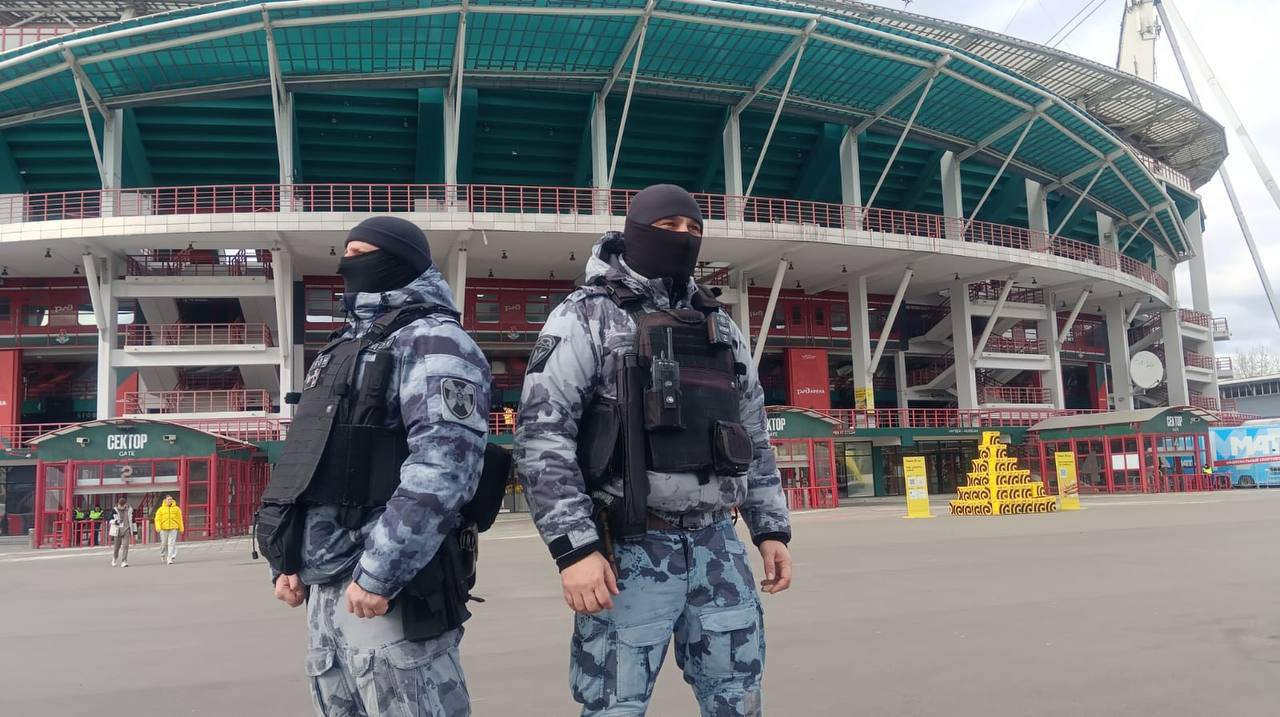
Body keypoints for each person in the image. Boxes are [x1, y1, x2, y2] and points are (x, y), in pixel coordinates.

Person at [516, 184, 794, 716]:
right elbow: (542, 435)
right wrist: (574, 549)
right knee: (614, 705)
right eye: (668, 227)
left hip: (717, 542)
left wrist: (770, 529)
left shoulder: (720, 324)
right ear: (635, 231)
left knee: (738, 699)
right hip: (628, 546)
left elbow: (753, 432)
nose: (683, 237)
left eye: (694, 229)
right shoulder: (586, 315)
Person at [257, 216, 492, 717]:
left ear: (403, 262)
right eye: (347, 253)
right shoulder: (341, 348)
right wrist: (286, 558)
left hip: (391, 592)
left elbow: (444, 468)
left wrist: (381, 572)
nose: (349, 264)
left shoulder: (435, 342)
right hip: (326, 589)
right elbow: (307, 461)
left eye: (364, 254)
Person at [153, 495, 184, 564]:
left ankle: (169, 559)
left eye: (171, 499)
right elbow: (157, 519)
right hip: (163, 528)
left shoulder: (177, 509)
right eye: (168, 499)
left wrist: (181, 528)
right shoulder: (160, 509)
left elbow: (180, 519)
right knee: (164, 543)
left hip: (173, 528)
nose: (170, 500)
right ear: (165, 500)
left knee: (171, 543)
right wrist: (158, 527)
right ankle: (163, 554)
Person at [110, 498, 133, 568]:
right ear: (118, 504)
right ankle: (115, 558)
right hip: (117, 530)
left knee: (126, 546)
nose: (121, 507)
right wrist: (115, 522)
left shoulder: (129, 509)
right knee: (117, 546)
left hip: (126, 529)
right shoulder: (114, 510)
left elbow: (132, 520)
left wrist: (134, 530)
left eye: (123, 506)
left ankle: (124, 561)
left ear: (125, 504)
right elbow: (109, 519)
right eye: (120, 505)